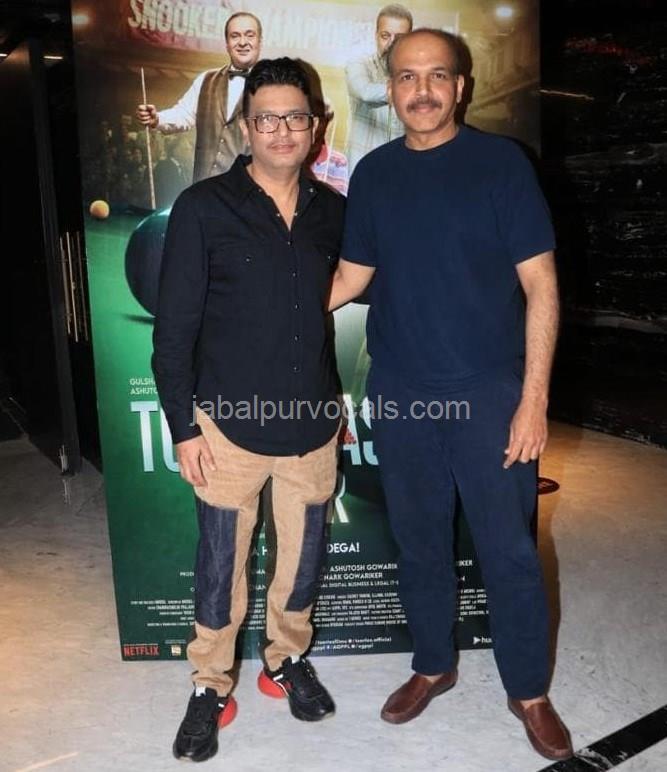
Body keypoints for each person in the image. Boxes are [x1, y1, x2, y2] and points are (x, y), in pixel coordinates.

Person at [329, 29, 573, 762]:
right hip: (401, 392)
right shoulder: (373, 174)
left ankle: (528, 692)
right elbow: (350, 277)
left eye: (438, 75)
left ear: (461, 86)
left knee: (508, 551)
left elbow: (541, 285)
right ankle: (433, 664)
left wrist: (533, 400)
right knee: (419, 543)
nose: (423, 90)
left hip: (489, 393)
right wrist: (264, 310)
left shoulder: (500, 165)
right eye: (408, 77)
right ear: (389, 88)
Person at [152, 57, 345, 762]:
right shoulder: (204, 207)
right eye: (267, 118)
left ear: (315, 125)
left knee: (302, 562)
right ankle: (210, 684)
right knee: (219, 568)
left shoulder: (333, 212)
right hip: (225, 428)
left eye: (296, 116)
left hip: (313, 427)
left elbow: (336, 300)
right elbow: (173, 331)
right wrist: (183, 430)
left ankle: (285, 660)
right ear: (245, 125)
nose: (282, 130)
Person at [136, 12, 262, 182]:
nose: (242, 42)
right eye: (235, 36)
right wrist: (157, 118)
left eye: (249, 35)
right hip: (204, 187)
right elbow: (183, 114)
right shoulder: (206, 79)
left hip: (246, 189)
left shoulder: (272, 86)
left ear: (260, 42)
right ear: (227, 44)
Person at [345, 4, 412, 173]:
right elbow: (365, 92)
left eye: (399, 38)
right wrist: (408, 88)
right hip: (364, 172)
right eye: (385, 36)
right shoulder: (359, 64)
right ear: (376, 36)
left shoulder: (415, 75)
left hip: (402, 171)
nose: (391, 44)